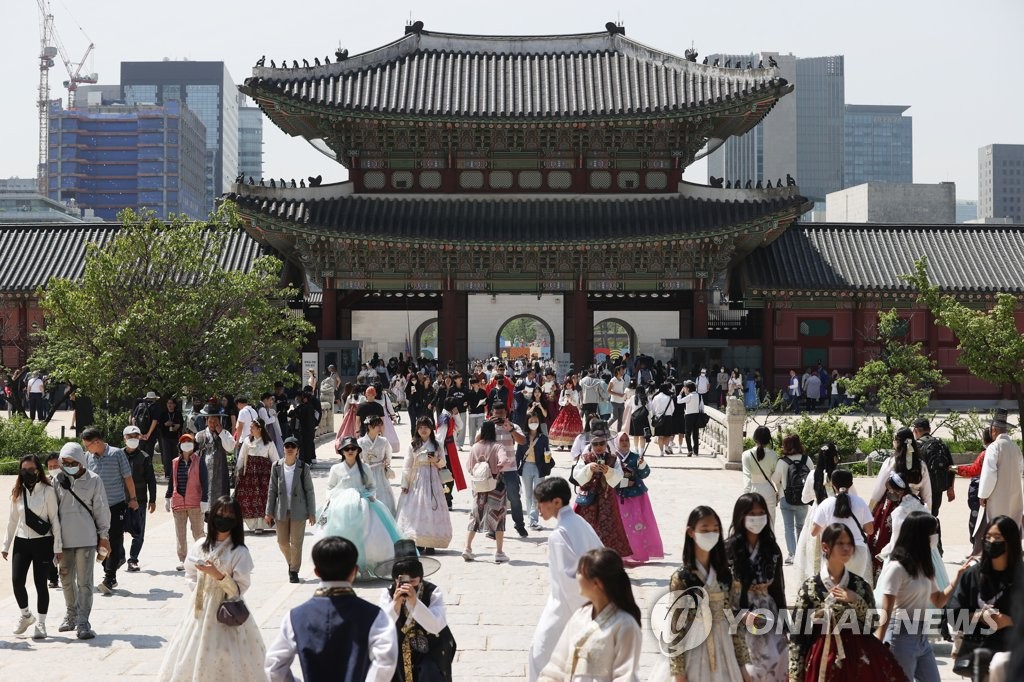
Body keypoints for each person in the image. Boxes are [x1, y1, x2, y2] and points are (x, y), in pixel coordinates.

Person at [158, 497, 266, 681]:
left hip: (227, 611)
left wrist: (218, 576)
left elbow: (239, 589)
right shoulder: (200, 545)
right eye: (220, 514)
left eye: (229, 515)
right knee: (191, 650)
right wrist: (200, 591)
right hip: (199, 610)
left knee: (226, 656)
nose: (223, 518)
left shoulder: (239, 551)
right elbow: (190, 572)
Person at [265, 536, 398, 681]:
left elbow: (274, 667)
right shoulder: (374, 615)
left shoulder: (295, 617)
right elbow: (386, 661)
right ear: (355, 570)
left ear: (316, 572)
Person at [788, 523, 905, 682]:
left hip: (856, 658)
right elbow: (797, 636)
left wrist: (856, 600)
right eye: (840, 543)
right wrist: (795, 677)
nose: (847, 548)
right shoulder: (810, 588)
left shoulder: (860, 586)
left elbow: (872, 625)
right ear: (825, 547)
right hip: (820, 657)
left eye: (850, 543)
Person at [874, 511, 967, 682]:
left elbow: (938, 600)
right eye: (933, 532)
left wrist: (958, 577)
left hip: (921, 637)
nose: (935, 537)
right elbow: (887, 610)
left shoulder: (924, 566)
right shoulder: (896, 568)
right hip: (900, 637)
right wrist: (878, 644)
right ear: (920, 535)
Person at [662, 506, 751, 682]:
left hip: (724, 649)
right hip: (693, 650)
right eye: (704, 529)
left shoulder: (726, 576)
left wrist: (743, 667)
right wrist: (678, 672)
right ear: (691, 532)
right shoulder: (683, 578)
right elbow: (675, 627)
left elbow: (734, 620)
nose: (711, 533)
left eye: (715, 530)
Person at [528, 478, 604, 681]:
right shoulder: (581, 522)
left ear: (556, 502)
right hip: (593, 603)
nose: (538, 508)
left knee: (540, 655)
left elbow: (569, 582)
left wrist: (584, 616)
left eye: (541, 502)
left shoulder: (559, 535)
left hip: (566, 608)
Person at [539, 548, 643, 681]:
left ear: (596, 583)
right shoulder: (580, 615)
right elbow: (557, 665)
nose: (576, 577)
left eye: (579, 572)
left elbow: (625, 676)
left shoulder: (625, 625)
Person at [947, 515, 1020, 682]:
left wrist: (1009, 621)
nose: (992, 542)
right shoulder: (972, 575)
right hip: (978, 652)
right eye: (988, 537)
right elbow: (952, 617)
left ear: (1010, 541)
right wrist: (980, 617)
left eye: (998, 537)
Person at [321, 436, 404, 576]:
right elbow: (329, 487)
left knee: (367, 535)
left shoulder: (364, 468)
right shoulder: (336, 469)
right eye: (347, 449)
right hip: (341, 508)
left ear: (358, 451)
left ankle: (364, 565)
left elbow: (372, 486)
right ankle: (345, 567)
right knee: (342, 536)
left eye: (353, 448)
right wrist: (332, 499)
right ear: (342, 452)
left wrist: (367, 496)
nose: (350, 451)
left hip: (362, 506)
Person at [725, 493, 786, 682]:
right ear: (741, 516)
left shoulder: (772, 549)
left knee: (775, 666)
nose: (757, 517)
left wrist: (785, 627)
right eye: (752, 513)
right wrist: (740, 616)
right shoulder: (728, 549)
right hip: (737, 616)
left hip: (768, 615)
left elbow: (778, 589)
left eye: (761, 513)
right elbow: (718, 593)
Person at [53, 442, 110, 640]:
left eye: (71, 462)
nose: (67, 465)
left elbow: (101, 510)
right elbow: (52, 512)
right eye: (64, 462)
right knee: (66, 579)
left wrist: (104, 536)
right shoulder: (58, 480)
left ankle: (83, 621)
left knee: (85, 582)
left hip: (86, 539)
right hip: (63, 540)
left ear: (80, 461)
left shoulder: (94, 480)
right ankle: (71, 614)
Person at [376, 540, 453, 681]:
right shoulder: (387, 593)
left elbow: (436, 626)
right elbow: (382, 627)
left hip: (429, 650)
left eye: (413, 580)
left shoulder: (432, 592)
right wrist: (395, 604)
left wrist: (415, 603)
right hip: (397, 651)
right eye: (403, 580)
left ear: (421, 577)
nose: (409, 584)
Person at [3, 454, 62, 639]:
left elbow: (55, 520)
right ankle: (26, 615)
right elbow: (13, 520)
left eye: (31, 469)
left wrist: (58, 547)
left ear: (38, 470)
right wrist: (6, 544)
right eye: (24, 469)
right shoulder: (18, 492)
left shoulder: (47, 491)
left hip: (43, 542)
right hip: (22, 542)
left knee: (40, 584)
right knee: (17, 581)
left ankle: (42, 624)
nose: (27, 472)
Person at [81, 426, 138, 595]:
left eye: (88, 445)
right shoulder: (87, 457)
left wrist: (133, 499)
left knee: (112, 540)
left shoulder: (116, 454)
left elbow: (127, 477)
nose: (87, 449)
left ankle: (109, 577)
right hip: (94, 508)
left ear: (97, 442)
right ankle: (115, 560)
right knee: (98, 541)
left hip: (115, 505)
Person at [571, 424, 632, 558]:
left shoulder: (613, 458)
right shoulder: (585, 458)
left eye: (602, 443)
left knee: (609, 526)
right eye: (596, 444)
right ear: (591, 445)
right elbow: (577, 476)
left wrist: (608, 471)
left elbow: (618, 477)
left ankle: (607, 557)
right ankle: (585, 555)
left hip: (607, 498)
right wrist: (588, 469)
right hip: (589, 499)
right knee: (587, 526)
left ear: (606, 443)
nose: (599, 447)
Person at [264, 436, 316, 583]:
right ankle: (291, 562)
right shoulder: (276, 466)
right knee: (282, 542)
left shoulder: (303, 467)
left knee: (296, 542)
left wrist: (312, 512)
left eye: (293, 446)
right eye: (287, 446)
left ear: (297, 450)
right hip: (281, 510)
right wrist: (268, 512)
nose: (290, 449)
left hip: (299, 510)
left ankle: (294, 571)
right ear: (284, 449)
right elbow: (271, 490)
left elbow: (310, 491)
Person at [809, 470, 875, 585]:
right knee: (854, 587)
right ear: (851, 484)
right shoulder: (860, 502)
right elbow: (870, 530)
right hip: (858, 550)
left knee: (834, 589)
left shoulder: (826, 503)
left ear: (833, 484)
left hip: (834, 550)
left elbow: (814, 532)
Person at [613, 430, 663, 565]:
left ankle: (638, 553)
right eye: (621, 440)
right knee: (620, 525)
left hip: (636, 497)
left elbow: (644, 474)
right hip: (618, 496)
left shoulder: (635, 457)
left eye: (626, 440)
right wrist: (623, 482)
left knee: (637, 525)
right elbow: (610, 478)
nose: (624, 443)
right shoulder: (612, 458)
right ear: (616, 442)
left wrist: (642, 465)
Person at [463, 420, 511, 562]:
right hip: (496, 486)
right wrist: (498, 467)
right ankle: (499, 552)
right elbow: (504, 460)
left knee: (475, 516)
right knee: (499, 518)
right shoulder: (498, 446)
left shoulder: (475, 447)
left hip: (479, 488)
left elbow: (469, 467)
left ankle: (467, 548)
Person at [793, 443, 841, 585]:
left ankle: (815, 580)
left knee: (814, 548)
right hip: (836, 512)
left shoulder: (813, 474)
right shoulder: (839, 474)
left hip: (817, 512)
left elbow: (804, 498)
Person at [165, 433, 210, 572]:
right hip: (178, 502)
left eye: (189, 441)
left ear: (194, 445)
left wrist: (204, 499)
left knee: (198, 532)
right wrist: (168, 497)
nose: (186, 444)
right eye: (183, 441)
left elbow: (204, 481)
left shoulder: (199, 461)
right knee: (180, 533)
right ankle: (182, 559)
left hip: (195, 502)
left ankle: (203, 555)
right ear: (179, 445)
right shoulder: (174, 462)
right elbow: (172, 481)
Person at [484, 400, 529, 537]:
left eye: (501, 414)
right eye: (496, 414)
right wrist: (488, 426)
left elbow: (522, 441)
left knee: (514, 498)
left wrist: (510, 429)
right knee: (492, 500)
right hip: (493, 470)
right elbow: (477, 442)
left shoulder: (513, 426)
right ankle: (493, 528)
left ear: (506, 414)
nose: (498, 417)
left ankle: (519, 525)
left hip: (510, 469)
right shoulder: (488, 426)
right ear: (491, 413)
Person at [978, 409, 1024, 536]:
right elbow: (1020, 469)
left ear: (994, 430)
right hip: (1015, 494)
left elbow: (989, 473)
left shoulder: (994, 447)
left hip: (997, 495)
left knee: (997, 528)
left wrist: (983, 494)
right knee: (1012, 528)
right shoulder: (1015, 447)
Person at [771, 434, 811, 565]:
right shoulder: (807, 459)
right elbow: (812, 477)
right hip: (803, 499)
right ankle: (801, 554)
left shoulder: (782, 461)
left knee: (789, 527)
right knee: (801, 526)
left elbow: (775, 479)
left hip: (786, 498)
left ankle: (792, 554)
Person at [122, 425, 157, 573]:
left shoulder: (144, 457)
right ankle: (117, 557)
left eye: (136, 436)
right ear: (124, 438)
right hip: (120, 500)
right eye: (130, 437)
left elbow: (151, 479)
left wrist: (153, 499)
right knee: (117, 531)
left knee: (139, 532)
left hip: (140, 500)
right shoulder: (117, 455)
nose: (133, 439)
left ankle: (133, 559)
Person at [235, 417, 278, 533]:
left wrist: (278, 475)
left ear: (259, 429)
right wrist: (238, 471)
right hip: (249, 476)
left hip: (264, 476)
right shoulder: (247, 441)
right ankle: (255, 525)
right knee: (250, 499)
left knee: (264, 498)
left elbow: (275, 460)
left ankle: (265, 523)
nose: (250, 429)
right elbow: (241, 457)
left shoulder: (269, 443)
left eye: (252, 427)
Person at [517, 408, 554, 531]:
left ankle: (534, 520)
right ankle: (531, 519)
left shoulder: (543, 438)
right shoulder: (523, 437)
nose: (534, 422)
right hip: (526, 467)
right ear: (527, 422)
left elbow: (547, 453)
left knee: (537, 495)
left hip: (539, 467)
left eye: (536, 420)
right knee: (528, 495)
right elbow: (518, 454)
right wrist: (516, 468)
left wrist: (548, 459)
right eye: (531, 420)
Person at [194, 400, 236, 500]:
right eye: (210, 422)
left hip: (220, 473)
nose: (213, 424)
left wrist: (221, 433)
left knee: (220, 502)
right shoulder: (199, 435)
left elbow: (230, 448)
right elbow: (195, 455)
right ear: (206, 421)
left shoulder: (225, 434)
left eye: (215, 421)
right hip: (204, 472)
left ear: (219, 421)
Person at [358, 415, 398, 516]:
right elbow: (357, 457)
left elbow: (388, 453)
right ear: (370, 427)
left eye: (381, 425)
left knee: (383, 493)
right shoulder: (361, 442)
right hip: (367, 471)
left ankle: (385, 516)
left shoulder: (383, 441)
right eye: (377, 426)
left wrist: (386, 462)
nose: (380, 428)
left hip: (380, 471)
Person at [741, 426, 779, 525]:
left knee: (753, 523)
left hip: (753, 490)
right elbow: (777, 477)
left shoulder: (746, 454)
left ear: (754, 438)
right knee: (770, 523)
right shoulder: (773, 454)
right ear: (768, 439)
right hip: (769, 489)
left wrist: (746, 494)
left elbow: (746, 476)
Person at [435, 397, 468, 510]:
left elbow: (460, 426)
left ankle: (447, 498)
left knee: (450, 476)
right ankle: (446, 499)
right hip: (446, 451)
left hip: (450, 448)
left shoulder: (449, 416)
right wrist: (441, 456)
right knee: (447, 476)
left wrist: (456, 414)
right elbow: (439, 439)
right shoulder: (444, 419)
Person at [548, 374, 582, 448]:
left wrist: (570, 399)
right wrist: (564, 403)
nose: (568, 386)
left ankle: (571, 444)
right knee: (562, 426)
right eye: (567, 384)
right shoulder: (563, 391)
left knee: (572, 427)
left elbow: (576, 403)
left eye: (570, 384)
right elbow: (560, 401)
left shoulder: (575, 392)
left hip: (573, 411)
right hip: (565, 411)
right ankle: (562, 444)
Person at [156, 397, 185, 479]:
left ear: (175, 405)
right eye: (168, 403)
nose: (170, 405)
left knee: (175, 455)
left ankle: (175, 472)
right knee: (166, 455)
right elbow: (159, 426)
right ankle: (167, 473)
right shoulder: (163, 414)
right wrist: (165, 424)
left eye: (171, 403)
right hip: (165, 437)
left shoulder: (178, 414)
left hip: (175, 437)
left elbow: (181, 424)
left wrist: (178, 426)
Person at [464, 376, 488, 447]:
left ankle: (481, 444)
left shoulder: (483, 392)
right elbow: (467, 401)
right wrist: (466, 403)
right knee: (472, 432)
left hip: (481, 413)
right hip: (472, 414)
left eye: (478, 382)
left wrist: (485, 403)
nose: (478, 384)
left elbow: (487, 400)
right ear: (472, 384)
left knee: (481, 430)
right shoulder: (469, 393)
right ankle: (472, 445)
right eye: (476, 383)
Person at [608, 365, 627, 431]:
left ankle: (619, 434)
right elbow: (609, 391)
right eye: (621, 371)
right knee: (614, 417)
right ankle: (605, 427)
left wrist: (623, 395)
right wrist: (618, 394)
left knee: (620, 420)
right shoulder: (613, 380)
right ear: (618, 371)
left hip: (621, 402)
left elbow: (621, 389)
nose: (623, 372)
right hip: (614, 401)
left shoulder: (622, 380)